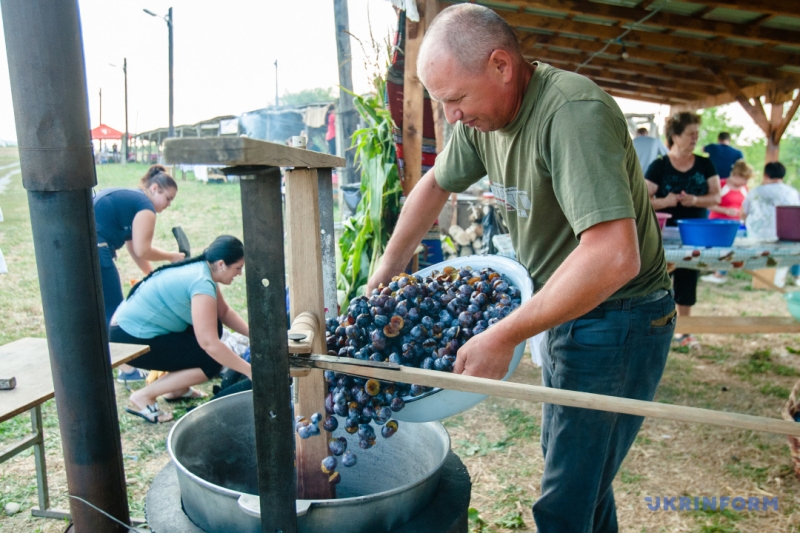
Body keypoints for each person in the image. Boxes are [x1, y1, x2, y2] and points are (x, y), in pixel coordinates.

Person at [366, 5, 676, 532]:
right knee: (582, 476)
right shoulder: (479, 117)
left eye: (457, 100)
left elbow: (613, 256)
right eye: (443, 104)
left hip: (618, 318)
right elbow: (436, 184)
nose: (453, 117)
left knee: (565, 500)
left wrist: (503, 334)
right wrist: (387, 269)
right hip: (564, 306)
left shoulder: (572, 114)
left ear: (502, 66)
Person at [109, 235, 251, 423]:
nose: (240, 273)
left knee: (212, 328)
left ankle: (176, 389)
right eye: (238, 268)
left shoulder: (202, 270)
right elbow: (209, 344)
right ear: (222, 264)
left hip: (128, 330)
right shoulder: (201, 283)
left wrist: (255, 335)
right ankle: (144, 396)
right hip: (129, 339)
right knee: (210, 362)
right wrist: (250, 370)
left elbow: (223, 312)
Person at [94, 164, 185, 381]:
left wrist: (150, 274)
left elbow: (132, 246)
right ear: (154, 189)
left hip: (85, 247)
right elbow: (143, 249)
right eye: (168, 198)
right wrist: (172, 256)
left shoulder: (133, 200)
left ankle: (106, 364)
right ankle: (126, 370)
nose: (169, 205)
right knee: (114, 314)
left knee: (100, 310)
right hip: (97, 249)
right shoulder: (145, 207)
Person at [645, 112, 720, 348]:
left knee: (688, 278)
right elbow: (642, 200)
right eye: (690, 134)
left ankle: (684, 331)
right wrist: (665, 202)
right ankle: (654, 327)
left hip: (695, 234)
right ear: (675, 136)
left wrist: (696, 201)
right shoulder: (659, 165)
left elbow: (715, 197)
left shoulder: (705, 163)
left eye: (697, 134)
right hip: (663, 234)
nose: (695, 138)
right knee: (657, 279)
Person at [702, 159, 754, 284]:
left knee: (732, 249)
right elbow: (708, 204)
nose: (745, 182)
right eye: (744, 178)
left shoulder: (745, 188)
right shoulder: (721, 184)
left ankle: (720, 273)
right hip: (717, 223)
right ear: (736, 175)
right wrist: (725, 210)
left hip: (736, 225)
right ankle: (714, 271)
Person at [742, 161, 800, 242]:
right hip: (787, 238)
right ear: (783, 176)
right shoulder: (793, 193)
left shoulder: (755, 192)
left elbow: (743, 214)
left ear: (765, 175)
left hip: (757, 238)